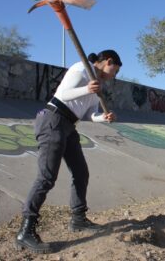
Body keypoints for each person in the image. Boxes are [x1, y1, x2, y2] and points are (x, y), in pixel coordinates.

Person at [16, 50, 122, 254]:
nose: (114, 76)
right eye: (114, 70)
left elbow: (89, 114)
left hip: (69, 126)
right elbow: (63, 94)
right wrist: (87, 88)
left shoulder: (97, 84)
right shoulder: (82, 68)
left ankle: (78, 219)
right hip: (53, 120)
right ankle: (25, 231)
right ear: (108, 62)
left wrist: (103, 117)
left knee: (81, 172)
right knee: (47, 178)